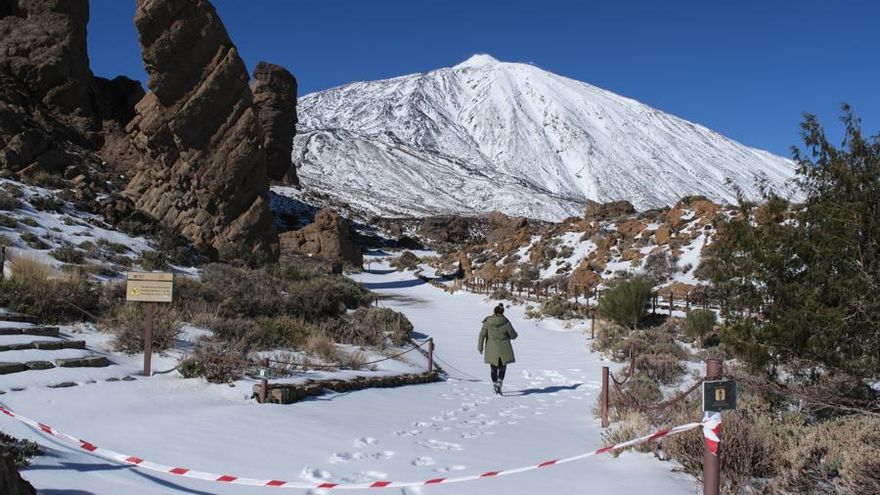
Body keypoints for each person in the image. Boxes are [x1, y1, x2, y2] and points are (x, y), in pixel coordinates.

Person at [478, 303, 518, 395]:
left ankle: (495, 384)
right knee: (502, 368)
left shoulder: (487, 321)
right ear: (503, 312)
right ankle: (499, 383)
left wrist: (480, 347)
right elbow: (513, 335)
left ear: (494, 311)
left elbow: (482, 335)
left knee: (493, 369)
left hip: (491, 348)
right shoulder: (506, 322)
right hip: (504, 348)